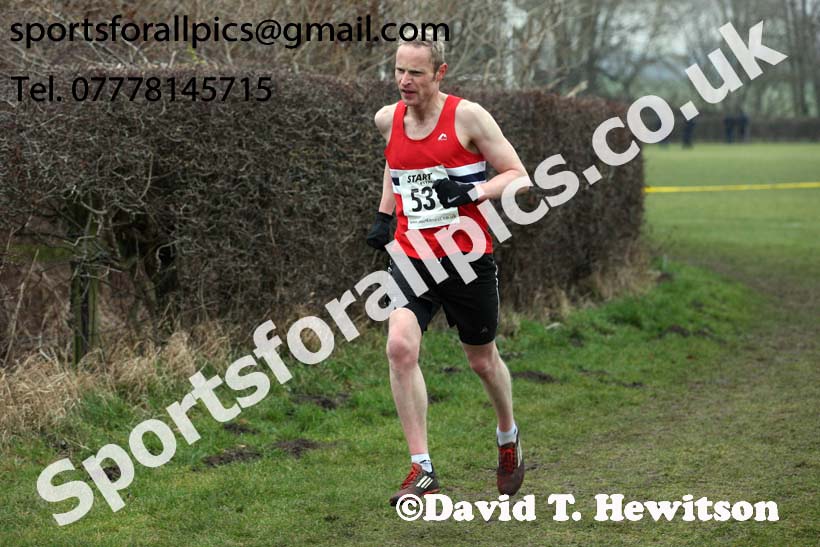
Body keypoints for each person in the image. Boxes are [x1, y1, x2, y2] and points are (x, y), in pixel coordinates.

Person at [365, 30, 529, 506]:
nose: (404, 81)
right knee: (399, 346)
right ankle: (422, 469)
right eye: (398, 70)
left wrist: (474, 193)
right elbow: (395, 167)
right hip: (412, 256)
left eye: (415, 72)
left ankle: (507, 436)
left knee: (482, 360)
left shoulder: (468, 117)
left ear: (439, 73)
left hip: (466, 255)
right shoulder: (387, 119)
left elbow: (517, 174)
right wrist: (383, 214)